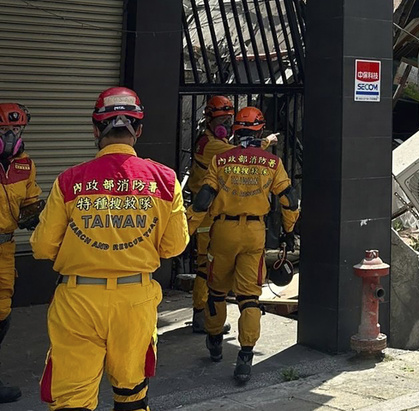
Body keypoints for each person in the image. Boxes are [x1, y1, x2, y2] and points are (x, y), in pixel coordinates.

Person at [31, 87, 188, 411]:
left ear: (94, 128)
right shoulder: (165, 180)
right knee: (132, 396)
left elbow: (43, 247)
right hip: (135, 300)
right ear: (138, 130)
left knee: (71, 402)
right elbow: (174, 247)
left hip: (77, 302)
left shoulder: (69, 181)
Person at [189, 106, 298, 384]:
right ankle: (245, 357)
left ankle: (214, 341)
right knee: (249, 297)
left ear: (235, 130)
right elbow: (289, 200)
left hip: (223, 231)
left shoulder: (222, 160)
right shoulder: (272, 163)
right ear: (260, 130)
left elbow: (203, 199)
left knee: (216, 291)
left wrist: (185, 229)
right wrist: (288, 231)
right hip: (254, 233)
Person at [0, 104, 42, 403]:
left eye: (16, 130)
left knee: (2, 312)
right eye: (4, 131)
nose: (11, 136)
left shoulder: (25, 165)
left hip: (5, 246)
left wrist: (38, 215)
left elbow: (30, 202)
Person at [185, 96, 235, 334]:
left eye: (228, 119)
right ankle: (201, 315)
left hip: (215, 211)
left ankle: (206, 313)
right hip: (204, 213)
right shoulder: (209, 144)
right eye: (221, 119)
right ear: (209, 119)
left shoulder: (212, 140)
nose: (225, 124)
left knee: (213, 265)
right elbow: (236, 155)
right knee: (206, 266)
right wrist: (263, 143)